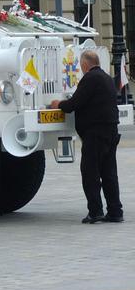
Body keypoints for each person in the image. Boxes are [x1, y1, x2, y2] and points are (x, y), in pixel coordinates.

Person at [50, 49, 123, 224]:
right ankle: (115, 211)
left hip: (95, 133)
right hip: (111, 131)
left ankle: (95, 211)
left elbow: (74, 104)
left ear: (84, 64)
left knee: (90, 172)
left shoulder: (90, 79)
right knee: (109, 173)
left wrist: (58, 104)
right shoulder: (106, 78)